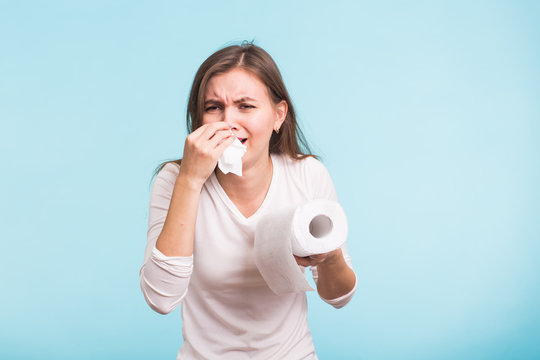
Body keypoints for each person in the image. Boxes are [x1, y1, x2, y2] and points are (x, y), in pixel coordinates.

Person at [139, 41, 357, 360]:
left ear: (278, 115)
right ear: (198, 118)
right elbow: (161, 298)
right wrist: (190, 180)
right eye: (214, 107)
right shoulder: (175, 180)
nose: (229, 121)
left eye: (246, 106)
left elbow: (340, 297)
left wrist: (329, 256)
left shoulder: (308, 175)